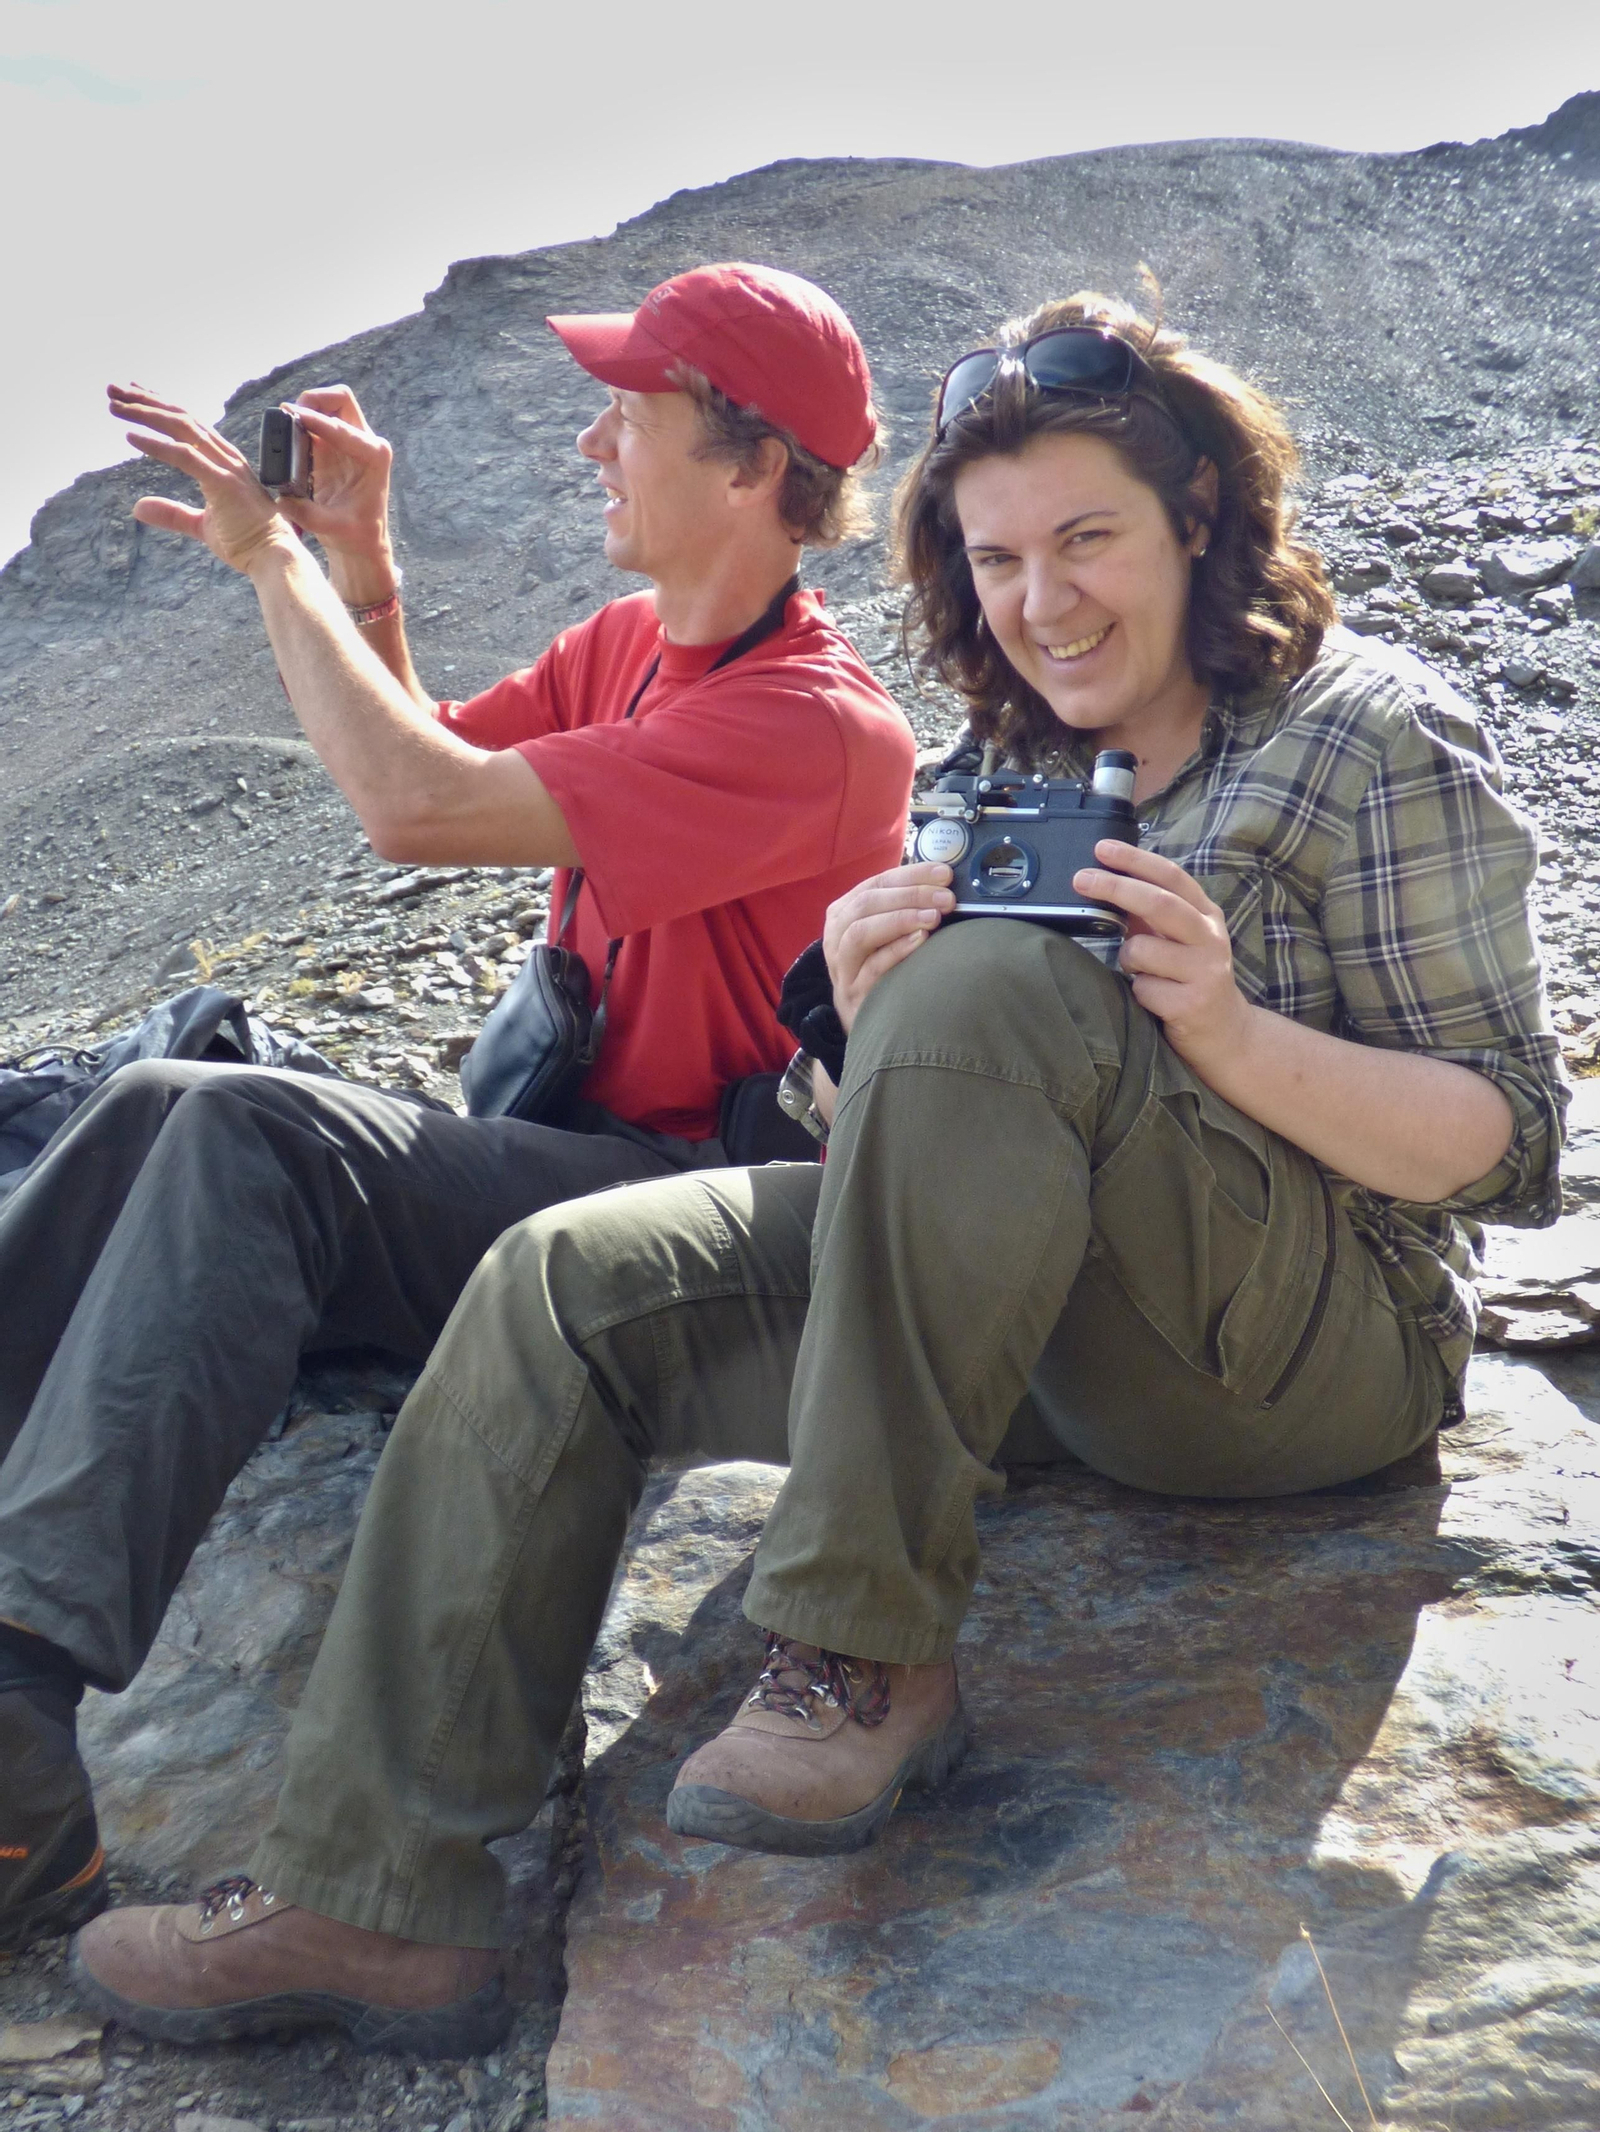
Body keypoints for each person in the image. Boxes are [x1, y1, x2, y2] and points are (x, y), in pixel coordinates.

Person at [72, 292, 1565, 2059]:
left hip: (1300, 1362)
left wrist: (1229, 1033)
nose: (1045, 599)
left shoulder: (1364, 733)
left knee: (1011, 974)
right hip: (1041, 1325)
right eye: (999, 559)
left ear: (1200, 524)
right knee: (566, 1274)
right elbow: (910, 1148)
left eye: (1089, 539)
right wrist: (860, 1025)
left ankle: (859, 1648)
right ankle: (377, 1899)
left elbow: (1507, 1141)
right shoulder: (996, 761)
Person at [0, 263, 916, 1957]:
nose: (591, 444)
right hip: (574, 1169)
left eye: (627, 415)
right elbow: (433, 762)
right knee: (154, 1100)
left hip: (684, 1223)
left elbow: (416, 811)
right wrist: (365, 577)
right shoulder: (634, 647)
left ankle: (13, 1737)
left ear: (749, 466)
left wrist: (274, 563)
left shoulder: (814, 729)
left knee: (247, 1127)